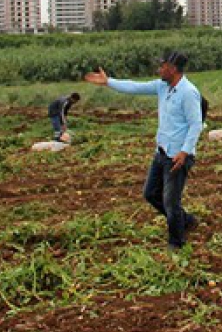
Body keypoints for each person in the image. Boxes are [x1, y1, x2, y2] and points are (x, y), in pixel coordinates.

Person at [84, 51, 203, 251]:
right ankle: (187, 220)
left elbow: (196, 124)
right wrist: (108, 82)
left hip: (177, 156)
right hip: (162, 151)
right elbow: (134, 86)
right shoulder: (162, 87)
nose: (159, 69)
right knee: (150, 193)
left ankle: (177, 243)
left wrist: (185, 152)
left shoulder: (188, 92)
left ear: (172, 69)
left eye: (162, 66)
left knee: (171, 202)